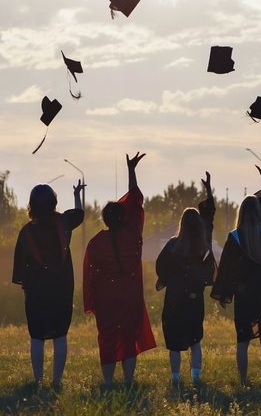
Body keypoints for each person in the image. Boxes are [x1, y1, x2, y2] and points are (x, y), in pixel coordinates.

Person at [83, 152, 156, 385]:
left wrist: (92, 300)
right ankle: (127, 380)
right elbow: (135, 199)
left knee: (107, 337)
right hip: (130, 293)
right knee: (128, 336)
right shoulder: (133, 232)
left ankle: (108, 382)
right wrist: (132, 171)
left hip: (106, 296)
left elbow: (89, 274)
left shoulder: (95, 242)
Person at [210, 160, 261, 385]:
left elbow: (226, 270)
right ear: (259, 212)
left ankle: (243, 381)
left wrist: (224, 294)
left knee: (242, 341)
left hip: (244, 295)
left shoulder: (234, 238)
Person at [12, 180, 85, 387]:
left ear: (31, 205)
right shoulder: (63, 223)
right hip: (61, 288)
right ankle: (56, 380)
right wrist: (77, 195)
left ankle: (37, 380)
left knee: (37, 336)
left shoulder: (26, 232)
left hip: (36, 289)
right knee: (60, 334)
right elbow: (79, 213)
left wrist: (26, 290)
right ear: (54, 202)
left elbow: (20, 266)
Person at [155, 171, 217, 385]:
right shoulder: (203, 247)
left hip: (173, 299)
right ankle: (196, 377)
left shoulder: (173, 245)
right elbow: (210, 215)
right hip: (194, 300)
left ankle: (175, 378)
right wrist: (208, 190)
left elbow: (160, 266)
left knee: (174, 342)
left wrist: (164, 280)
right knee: (194, 340)